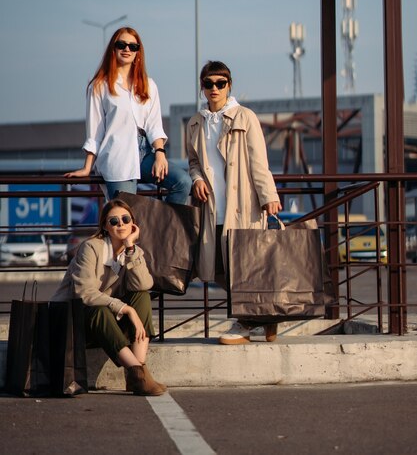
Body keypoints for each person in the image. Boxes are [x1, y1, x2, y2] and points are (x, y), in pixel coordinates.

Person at [186, 60, 282, 345]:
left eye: (220, 83)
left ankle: (244, 324)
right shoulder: (196, 122)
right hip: (212, 208)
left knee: (244, 268)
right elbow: (193, 162)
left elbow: (258, 161)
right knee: (218, 269)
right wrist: (196, 179)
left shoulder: (244, 117)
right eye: (208, 83)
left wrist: (269, 196)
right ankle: (266, 318)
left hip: (242, 206)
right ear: (202, 87)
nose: (214, 88)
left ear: (229, 85)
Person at [50, 198, 166, 396]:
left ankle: (136, 374)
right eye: (113, 221)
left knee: (142, 296)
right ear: (105, 226)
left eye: (125, 219)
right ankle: (138, 373)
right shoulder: (91, 248)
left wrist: (130, 248)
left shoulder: (133, 252)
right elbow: (85, 293)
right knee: (99, 309)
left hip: (107, 328)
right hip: (76, 324)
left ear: (132, 223)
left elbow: (144, 285)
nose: (120, 224)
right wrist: (125, 309)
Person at [65, 26, 191, 203]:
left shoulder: (149, 84)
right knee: (126, 214)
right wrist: (87, 167)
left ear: (138, 52)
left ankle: (164, 231)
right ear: (113, 49)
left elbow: (154, 125)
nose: (127, 49)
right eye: (122, 45)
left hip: (146, 153)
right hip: (118, 155)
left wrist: (160, 154)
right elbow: (95, 131)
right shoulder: (100, 86)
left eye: (133, 46)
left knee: (183, 182)